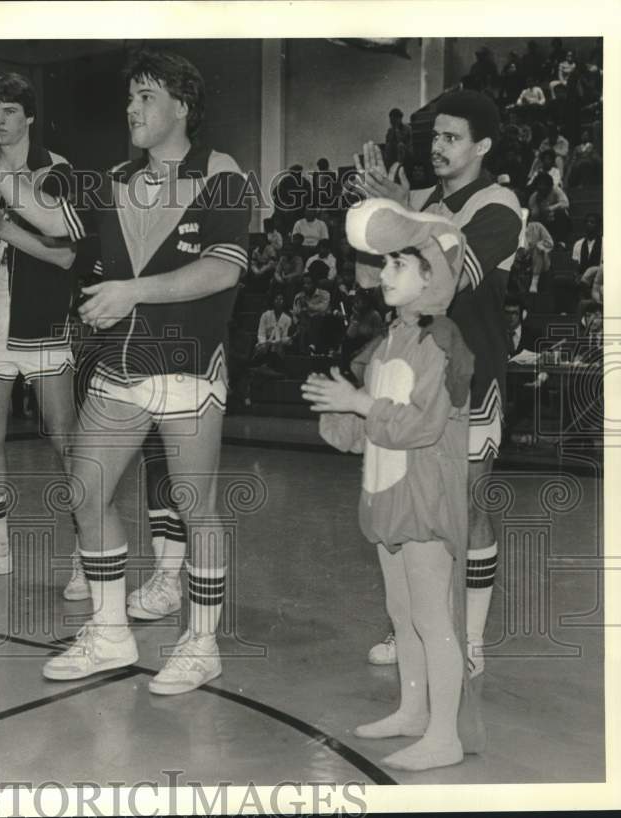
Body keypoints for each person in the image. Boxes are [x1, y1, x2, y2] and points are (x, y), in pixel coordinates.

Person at [0, 48, 251, 694]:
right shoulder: (115, 178)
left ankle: (201, 644)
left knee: (194, 507)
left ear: (182, 106)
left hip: (186, 369)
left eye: (146, 97)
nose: (132, 108)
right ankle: (110, 633)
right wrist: (0, 169)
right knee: (86, 491)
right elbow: (51, 220)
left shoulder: (221, 174)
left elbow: (224, 268)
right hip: (119, 372)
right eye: (130, 98)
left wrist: (133, 290)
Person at [302, 199, 481, 771]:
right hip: (386, 501)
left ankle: (445, 734)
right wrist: (341, 412)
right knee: (401, 614)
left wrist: (359, 402)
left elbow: (422, 425)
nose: (385, 274)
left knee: (432, 618)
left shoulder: (441, 342)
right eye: (386, 265)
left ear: (433, 276)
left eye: (400, 265)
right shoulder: (388, 341)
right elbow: (370, 430)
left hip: (424, 504)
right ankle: (412, 710)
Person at [355, 90, 523, 675]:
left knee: (467, 507)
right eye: (435, 137)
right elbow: (375, 277)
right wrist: (384, 219)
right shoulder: (422, 201)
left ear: (482, 146)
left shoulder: (501, 203)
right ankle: (411, 629)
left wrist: (405, 219)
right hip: (412, 377)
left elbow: (456, 279)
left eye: (452, 138)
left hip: (473, 377)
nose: (439, 147)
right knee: (407, 507)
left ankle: (469, 639)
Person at [0, 73, 88, 599]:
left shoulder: (57, 172)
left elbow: (68, 252)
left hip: (44, 326)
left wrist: (9, 228)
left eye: (8, 111)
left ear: (28, 117)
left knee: (65, 442)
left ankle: (86, 550)